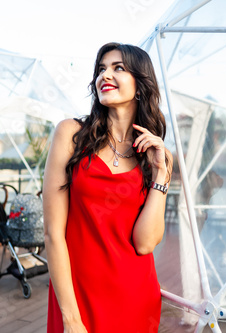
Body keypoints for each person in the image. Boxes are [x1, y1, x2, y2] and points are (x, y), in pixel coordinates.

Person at [44, 42, 173, 333]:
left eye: (118, 68)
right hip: (77, 298)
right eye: (101, 69)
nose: (106, 75)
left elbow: (145, 243)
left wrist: (161, 174)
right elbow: (53, 233)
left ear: (140, 85)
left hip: (135, 299)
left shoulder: (157, 155)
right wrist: (71, 319)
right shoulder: (71, 134)